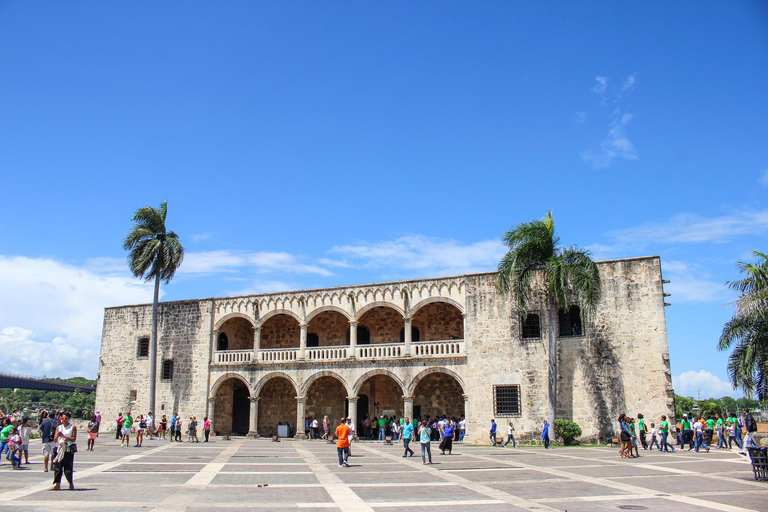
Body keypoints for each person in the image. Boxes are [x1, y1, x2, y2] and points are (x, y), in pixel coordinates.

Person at [49, 411, 77, 491]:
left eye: (66, 418)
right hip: (59, 448)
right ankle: (57, 484)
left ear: (68, 419)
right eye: (62, 418)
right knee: (57, 467)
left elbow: (74, 439)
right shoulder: (59, 427)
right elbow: (55, 440)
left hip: (67, 449)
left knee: (68, 467)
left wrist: (64, 437)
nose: (64, 420)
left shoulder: (72, 427)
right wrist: (57, 435)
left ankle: (70, 483)